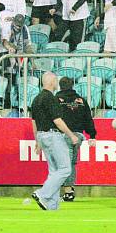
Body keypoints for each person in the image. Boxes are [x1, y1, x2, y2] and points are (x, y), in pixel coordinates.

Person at [30, 72, 80, 211]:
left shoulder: (36, 99)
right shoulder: (50, 98)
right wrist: (71, 135)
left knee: (54, 171)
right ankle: (43, 194)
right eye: (55, 80)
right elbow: (57, 121)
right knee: (65, 169)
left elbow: (34, 122)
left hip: (42, 135)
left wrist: (37, 141)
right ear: (52, 82)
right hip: (53, 136)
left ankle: (51, 205)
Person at [55, 77, 97, 202]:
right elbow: (88, 119)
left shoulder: (56, 100)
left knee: (64, 164)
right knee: (72, 163)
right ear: (72, 85)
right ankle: (69, 190)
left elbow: (54, 118)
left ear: (60, 86)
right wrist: (92, 135)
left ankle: (67, 191)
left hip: (63, 135)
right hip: (78, 135)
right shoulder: (81, 100)